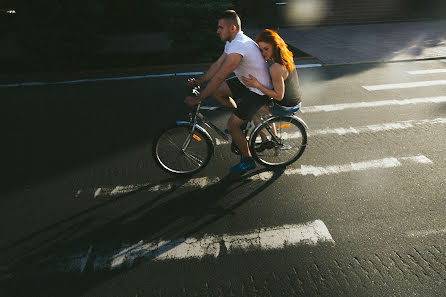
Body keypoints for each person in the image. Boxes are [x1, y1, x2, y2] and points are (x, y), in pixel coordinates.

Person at [184, 10, 272, 174]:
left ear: (232, 28)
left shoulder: (239, 45)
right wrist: (199, 81)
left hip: (258, 90)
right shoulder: (232, 42)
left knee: (232, 126)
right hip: (247, 82)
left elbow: (219, 76)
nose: (217, 31)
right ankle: (242, 120)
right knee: (218, 91)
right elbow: (217, 66)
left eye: (220, 27)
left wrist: (198, 99)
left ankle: (247, 160)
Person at [242, 29, 302, 118]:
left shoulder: (276, 68)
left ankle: (265, 132)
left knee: (253, 109)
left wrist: (257, 85)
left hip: (286, 106)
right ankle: (271, 131)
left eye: (266, 49)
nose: (262, 53)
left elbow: (278, 96)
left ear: (275, 47)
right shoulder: (285, 57)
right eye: (260, 50)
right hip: (296, 101)